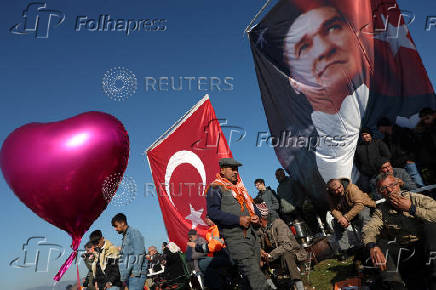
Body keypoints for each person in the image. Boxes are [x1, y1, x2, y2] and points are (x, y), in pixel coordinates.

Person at [362, 173, 436, 289]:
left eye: (392, 185)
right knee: (380, 245)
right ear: (380, 192)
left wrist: (412, 208)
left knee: (431, 226)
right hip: (407, 252)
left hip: (428, 249)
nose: (390, 190)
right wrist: (372, 246)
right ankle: (395, 284)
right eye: (384, 188)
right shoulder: (381, 210)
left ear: (398, 185)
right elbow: (370, 228)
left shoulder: (416, 198)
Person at [206, 157, 268, 290]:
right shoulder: (215, 188)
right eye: (232, 169)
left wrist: (256, 216)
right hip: (235, 239)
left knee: (251, 275)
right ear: (222, 170)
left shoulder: (239, 188)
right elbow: (213, 213)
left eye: (236, 169)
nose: (235, 172)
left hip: (252, 236)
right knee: (255, 276)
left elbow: (251, 205)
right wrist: (238, 220)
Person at [257, 202, 307, 290]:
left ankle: (299, 286)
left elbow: (287, 245)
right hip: (275, 257)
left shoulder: (278, 223)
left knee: (287, 255)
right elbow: (258, 245)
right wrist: (261, 253)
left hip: (294, 253)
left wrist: (270, 255)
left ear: (260, 218)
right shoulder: (259, 230)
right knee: (257, 261)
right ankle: (273, 287)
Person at [327, 178, 375, 258]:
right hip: (348, 212)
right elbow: (333, 209)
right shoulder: (330, 194)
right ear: (331, 190)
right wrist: (341, 218)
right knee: (336, 223)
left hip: (364, 207)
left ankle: (369, 243)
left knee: (363, 215)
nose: (338, 191)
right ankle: (345, 250)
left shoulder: (352, 188)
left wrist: (346, 217)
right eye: (334, 190)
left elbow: (359, 204)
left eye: (339, 188)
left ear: (341, 184)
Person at [377, 117, 424, 187]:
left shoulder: (402, 133)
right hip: (398, 165)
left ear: (384, 126)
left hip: (408, 162)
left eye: (379, 127)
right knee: (406, 184)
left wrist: (411, 159)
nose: (379, 130)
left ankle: (425, 194)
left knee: (417, 180)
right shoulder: (386, 139)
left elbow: (413, 146)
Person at [112, 213, 147, 290]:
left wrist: (135, 272)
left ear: (122, 223)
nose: (115, 229)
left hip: (136, 275)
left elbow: (139, 252)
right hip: (130, 275)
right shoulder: (125, 236)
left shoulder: (134, 232)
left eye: (116, 226)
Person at [415, 107, 436, 185]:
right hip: (430, 160)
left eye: (427, 118)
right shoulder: (424, 128)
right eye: (423, 120)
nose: (426, 121)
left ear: (434, 115)